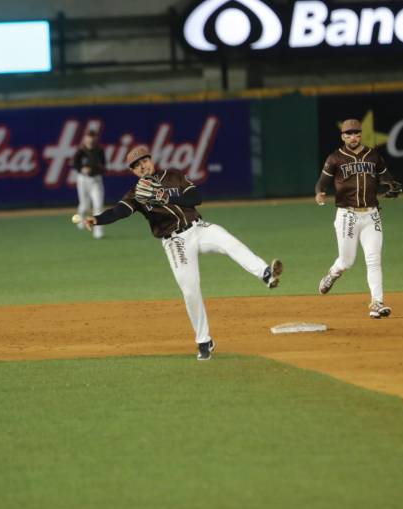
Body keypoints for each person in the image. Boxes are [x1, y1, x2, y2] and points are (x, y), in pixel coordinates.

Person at [83, 145, 283, 361]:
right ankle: (204, 341)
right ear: (133, 171)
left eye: (144, 161)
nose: (142, 166)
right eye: (136, 166)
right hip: (175, 241)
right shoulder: (136, 194)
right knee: (190, 290)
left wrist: (165, 196)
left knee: (228, 241)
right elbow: (118, 211)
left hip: (198, 228)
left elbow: (195, 198)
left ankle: (266, 274)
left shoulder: (174, 175)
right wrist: (97, 219)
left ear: (151, 160)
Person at [314, 118, 403, 319]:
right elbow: (322, 183)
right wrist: (320, 193)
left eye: (356, 133)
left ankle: (377, 303)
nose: (353, 137)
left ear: (360, 134)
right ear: (342, 136)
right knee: (346, 261)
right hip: (348, 215)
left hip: (372, 214)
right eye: (349, 134)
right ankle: (332, 274)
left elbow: (385, 175)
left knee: (374, 260)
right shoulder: (335, 158)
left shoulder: (373, 155)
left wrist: (392, 185)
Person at [72, 130, 107, 239]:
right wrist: (82, 169)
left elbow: (104, 167)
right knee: (84, 205)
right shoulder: (80, 151)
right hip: (83, 180)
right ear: (85, 138)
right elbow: (75, 164)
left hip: (96, 181)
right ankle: (80, 218)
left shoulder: (99, 150)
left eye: (93, 136)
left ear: (96, 138)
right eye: (89, 136)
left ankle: (98, 231)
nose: (91, 139)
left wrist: (95, 168)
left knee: (98, 206)